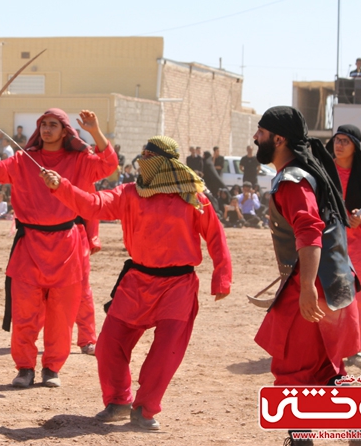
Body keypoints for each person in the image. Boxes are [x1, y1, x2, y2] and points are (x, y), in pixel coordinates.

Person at [40, 135, 231, 432]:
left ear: (165, 163)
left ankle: (144, 409)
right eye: (141, 156)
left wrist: (222, 276)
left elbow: (216, 236)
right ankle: (118, 400)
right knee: (108, 345)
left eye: (148, 156)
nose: (142, 162)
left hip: (177, 286)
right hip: (136, 281)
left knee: (165, 352)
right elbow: (93, 205)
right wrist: (61, 186)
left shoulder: (194, 196)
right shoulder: (130, 193)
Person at [0, 109, 118, 388]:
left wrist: (95, 131)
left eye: (53, 125)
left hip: (66, 244)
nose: (47, 129)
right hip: (29, 246)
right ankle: (25, 368)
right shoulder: (23, 161)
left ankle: (52, 368)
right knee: (25, 312)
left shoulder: (80, 160)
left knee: (62, 314)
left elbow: (108, 165)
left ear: (65, 131)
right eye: (43, 125)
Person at [251, 107, 361, 423]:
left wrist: (308, 287)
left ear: (279, 138)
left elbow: (310, 229)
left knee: (291, 368)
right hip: (334, 283)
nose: (256, 137)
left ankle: (301, 441)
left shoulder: (293, 181)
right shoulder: (306, 174)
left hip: (312, 285)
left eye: (261, 132)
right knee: (326, 367)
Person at [325, 124, 361, 370]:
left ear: (355, 146)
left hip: (358, 243)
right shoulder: (324, 170)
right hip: (328, 239)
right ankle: (328, 346)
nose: (338, 145)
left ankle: (355, 348)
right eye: (336, 140)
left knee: (355, 294)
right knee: (327, 292)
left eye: (344, 141)